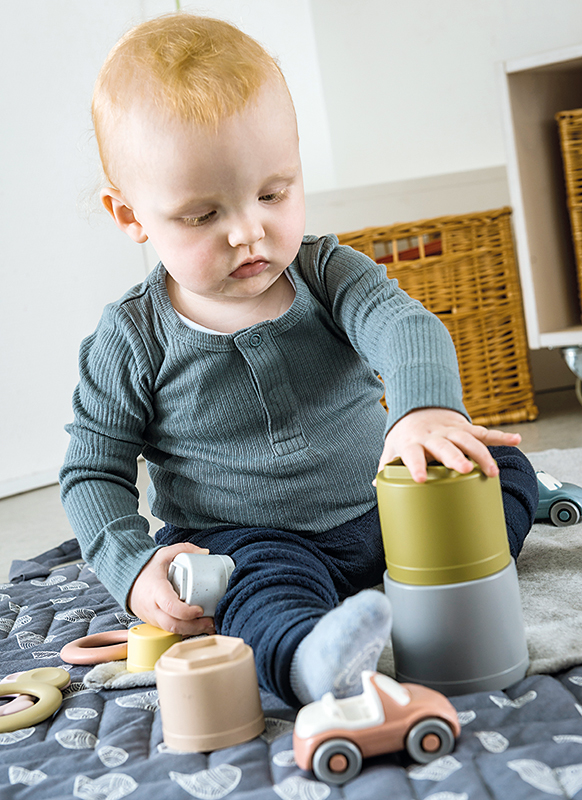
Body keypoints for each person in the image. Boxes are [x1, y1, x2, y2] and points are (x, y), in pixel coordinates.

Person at [60, 13, 538, 707]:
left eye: (273, 193)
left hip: (386, 505)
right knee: (252, 598)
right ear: (130, 215)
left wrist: (425, 413)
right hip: (255, 542)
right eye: (202, 216)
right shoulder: (132, 337)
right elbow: (91, 473)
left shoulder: (325, 271)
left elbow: (405, 326)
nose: (249, 230)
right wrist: (135, 570)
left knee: (501, 466)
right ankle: (313, 661)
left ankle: (440, 567)